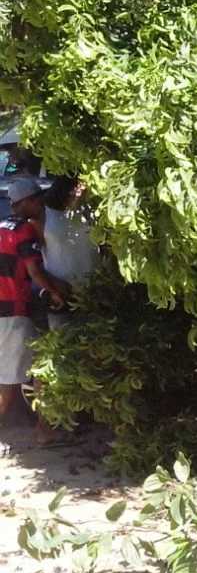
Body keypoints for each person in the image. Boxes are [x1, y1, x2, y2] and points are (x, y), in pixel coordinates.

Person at [0, 178, 68, 425]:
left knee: (30, 364)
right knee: (7, 379)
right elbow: (35, 272)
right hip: (12, 310)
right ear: (26, 202)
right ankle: (44, 429)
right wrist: (57, 292)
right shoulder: (22, 230)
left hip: (3, 309)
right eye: (38, 199)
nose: (42, 204)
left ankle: (44, 428)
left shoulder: (3, 227)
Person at [41, 176, 100, 331]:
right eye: (78, 190)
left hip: (94, 290)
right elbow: (32, 260)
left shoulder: (91, 213)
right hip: (62, 292)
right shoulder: (44, 215)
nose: (82, 194)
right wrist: (52, 286)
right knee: (62, 340)